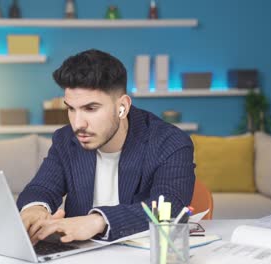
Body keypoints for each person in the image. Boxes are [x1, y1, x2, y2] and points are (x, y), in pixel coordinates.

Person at [16, 49, 195, 244]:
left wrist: (98, 221)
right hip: (79, 255)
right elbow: (41, 187)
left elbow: (169, 205)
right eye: (71, 108)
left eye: (90, 109)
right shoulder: (65, 139)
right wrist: (35, 209)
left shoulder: (170, 142)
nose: (78, 124)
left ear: (122, 107)